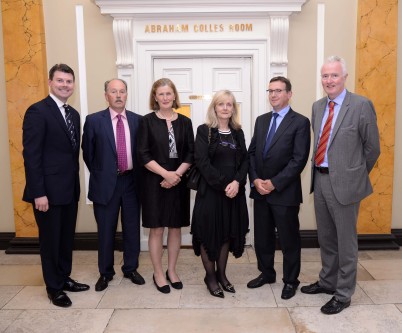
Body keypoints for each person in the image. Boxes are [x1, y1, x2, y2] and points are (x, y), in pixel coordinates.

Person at [301, 56, 380, 314]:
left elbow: (372, 148)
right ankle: (327, 281)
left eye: (334, 75)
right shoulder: (317, 106)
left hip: (346, 184)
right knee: (326, 237)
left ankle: (344, 293)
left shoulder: (360, 105)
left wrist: (354, 174)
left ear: (345, 77)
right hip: (321, 180)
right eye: (325, 76)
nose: (329, 80)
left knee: (346, 242)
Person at [22, 64, 89, 307]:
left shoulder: (73, 114)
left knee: (65, 239)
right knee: (50, 241)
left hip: (68, 190)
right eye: (60, 80)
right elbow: (32, 156)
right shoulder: (38, 111)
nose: (65, 85)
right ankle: (54, 288)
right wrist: (38, 192)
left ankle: (64, 277)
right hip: (47, 193)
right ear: (50, 82)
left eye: (69, 81)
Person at [247, 76, 310, 300]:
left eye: (279, 91)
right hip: (260, 191)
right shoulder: (261, 120)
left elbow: (299, 160)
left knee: (288, 239)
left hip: (284, 192)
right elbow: (252, 152)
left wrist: (274, 183)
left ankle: (290, 281)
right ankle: (266, 273)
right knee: (263, 237)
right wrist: (255, 180)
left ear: (289, 94)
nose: (273, 95)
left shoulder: (300, 122)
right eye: (270, 90)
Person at [82, 78, 145, 292]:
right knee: (106, 231)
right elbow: (88, 155)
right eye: (113, 91)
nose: (118, 95)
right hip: (105, 184)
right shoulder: (93, 121)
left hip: (131, 182)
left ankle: (130, 268)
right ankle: (105, 273)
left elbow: (143, 153)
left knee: (131, 229)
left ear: (127, 94)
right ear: (106, 95)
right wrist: (105, 172)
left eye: (122, 91)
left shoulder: (139, 121)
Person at [137, 78, 194, 294]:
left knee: (175, 227)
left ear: (174, 96)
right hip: (154, 181)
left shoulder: (185, 122)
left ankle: (172, 270)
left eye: (169, 93)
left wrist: (176, 174)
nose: (165, 97)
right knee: (157, 228)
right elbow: (142, 154)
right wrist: (165, 174)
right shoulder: (146, 121)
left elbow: (191, 153)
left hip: (179, 181)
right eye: (161, 94)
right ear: (155, 97)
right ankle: (158, 273)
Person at [191, 90, 249, 298]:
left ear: (233, 108)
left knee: (225, 235)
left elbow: (245, 162)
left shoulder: (238, 132)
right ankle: (210, 277)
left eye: (229, 104)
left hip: (233, 194)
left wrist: (236, 183)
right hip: (210, 193)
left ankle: (222, 275)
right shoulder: (204, 131)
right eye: (221, 104)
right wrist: (226, 184)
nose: (225, 108)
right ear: (214, 107)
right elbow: (202, 163)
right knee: (208, 235)